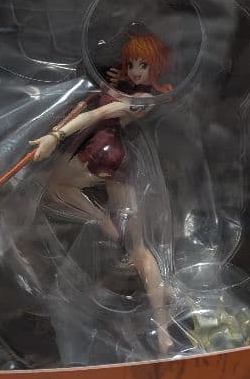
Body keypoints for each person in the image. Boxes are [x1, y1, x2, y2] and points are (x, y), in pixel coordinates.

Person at [30, 33, 174, 354]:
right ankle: (163, 330)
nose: (135, 71)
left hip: (102, 151)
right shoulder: (130, 86)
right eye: (131, 64)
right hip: (120, 161)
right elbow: (111, 89)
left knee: (56, 186)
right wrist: (114, 79)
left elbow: (96, 116)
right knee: (139, 247)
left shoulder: (141, 99)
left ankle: (103, 220)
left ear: (156, 68)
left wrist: (55, 137)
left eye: (143, 66)